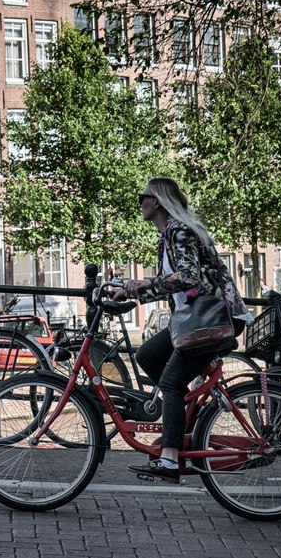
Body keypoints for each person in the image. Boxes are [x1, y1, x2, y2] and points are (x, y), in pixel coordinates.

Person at [113, 177, 253, 482]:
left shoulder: (178, 230)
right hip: (194, 320)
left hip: (211, 321)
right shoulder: (168, 235)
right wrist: (132, 293)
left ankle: (169, 459)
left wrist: (145, 283)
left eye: (143, 196)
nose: (140, 202)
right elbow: (175, 285)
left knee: (171, 383)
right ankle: (186, 418)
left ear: (158, 201)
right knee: (148, 355)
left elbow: (189, 277)